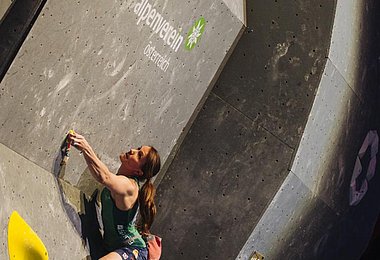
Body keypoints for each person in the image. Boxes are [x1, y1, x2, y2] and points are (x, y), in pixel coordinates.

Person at [68, 132, 161, 260]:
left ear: (138, 171)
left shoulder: (130, 187)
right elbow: (103, 175)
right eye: (138, 148)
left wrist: (85, 147)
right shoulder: (121, 181)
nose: (133, 150)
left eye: (139, 155)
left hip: (134, 250)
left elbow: (104, 176)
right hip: (114, 247)